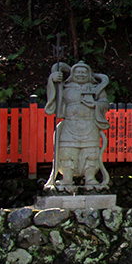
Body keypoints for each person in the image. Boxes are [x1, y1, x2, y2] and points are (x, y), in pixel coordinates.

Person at [44, 61, 110, 189]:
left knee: (91, 153)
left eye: (84, 72)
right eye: (78, 72)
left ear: (89, 74)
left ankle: (90, 178)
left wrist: (95, 105)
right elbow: (55, 103)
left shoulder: (96, 88)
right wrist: (53, 81)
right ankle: (67, 178)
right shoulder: (66, 88)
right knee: (67, 153)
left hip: (90, 125)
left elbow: (104, 103)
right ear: (73, 74)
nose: (81, 74)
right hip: (70, 125)